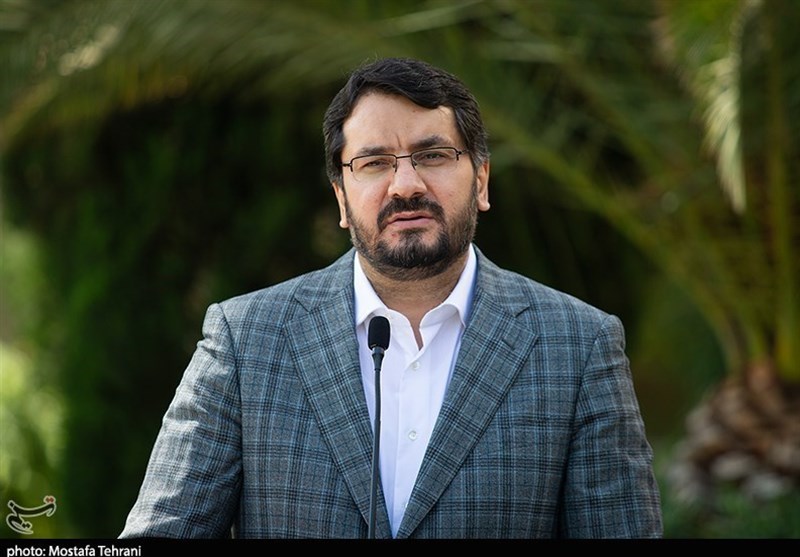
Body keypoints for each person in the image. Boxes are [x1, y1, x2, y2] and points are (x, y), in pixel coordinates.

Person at [120, 57, 663, 539]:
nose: (405, 185)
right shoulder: (246, 341)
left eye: (432, 155)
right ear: (341, 197)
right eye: (375, 163)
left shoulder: (578, 346)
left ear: (481, 180)